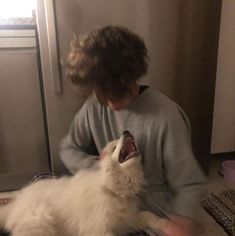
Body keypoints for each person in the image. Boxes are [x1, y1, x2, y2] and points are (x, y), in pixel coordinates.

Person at [60, 25, 206, 235]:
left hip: (157, 210)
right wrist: (100, 167)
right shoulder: (93, 106)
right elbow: (68, 148)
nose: (111, 104)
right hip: (109, 203)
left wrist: (181, 219)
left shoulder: (166, 116)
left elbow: (189, 182)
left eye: (117, 93)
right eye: (103, 95)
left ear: (134, 75)